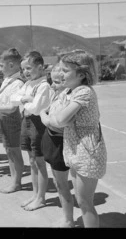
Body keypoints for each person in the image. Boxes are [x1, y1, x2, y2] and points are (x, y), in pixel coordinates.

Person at [46, 49, 107, 228]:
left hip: (87, 151)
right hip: (73, 148)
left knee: (85, 202)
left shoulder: (83, 92)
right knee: (81, 200)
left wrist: (54, 118)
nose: (60, 74)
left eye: (65, 71)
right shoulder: (69, 92)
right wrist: (54, 117)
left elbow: (60, 120)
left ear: (81, 74)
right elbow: (55, 116)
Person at [10, 51, 51, 211]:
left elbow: (35, 109)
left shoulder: (44, 85)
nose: (25, 72)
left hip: (37, 125)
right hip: (26, 123)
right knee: (32, 161)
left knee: (39, 162)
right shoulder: (28, 85)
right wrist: (24, 99)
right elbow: (13, 99)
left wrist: (24, 101)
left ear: (40, 67)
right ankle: (35, 195)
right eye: (23, 69)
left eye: (29, 68)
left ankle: (41, 198)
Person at [0, 48, 25, 193]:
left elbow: (12, 108)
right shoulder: (8, 81)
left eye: (2, 65)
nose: (0, 69)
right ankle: (14, 179)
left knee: (14, 151)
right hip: (2, 118)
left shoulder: (18, 83)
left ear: (12, 65)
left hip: (11, 120)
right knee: (8, 151)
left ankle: (17, 182)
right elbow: (0, 100)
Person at [40, 64, 74, 227]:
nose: (52, 85)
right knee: (58, 182)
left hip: (60, 141)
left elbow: (55, 121)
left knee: (61, 183)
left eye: (56, 82)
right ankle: (67, 217)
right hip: (52, 140)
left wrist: (45, 118)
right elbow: (45, 111)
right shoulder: (57, 95)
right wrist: (45, 115)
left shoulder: (69, 98)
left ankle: (68, 220)